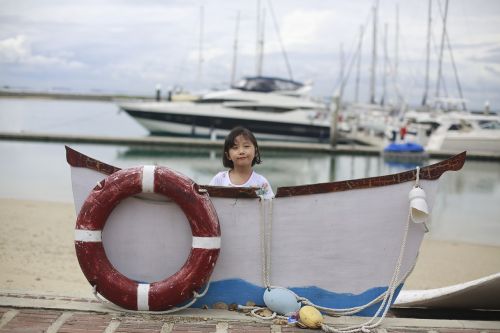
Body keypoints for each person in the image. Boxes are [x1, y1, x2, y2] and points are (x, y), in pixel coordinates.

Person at [209, 126, 274, 199]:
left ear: (255, 151)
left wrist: (256, 194)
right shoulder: (219, 179)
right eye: (235, 147)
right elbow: (207, 202)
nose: (241, 151)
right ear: (228, 155)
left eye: (246, 146)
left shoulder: (261, 183)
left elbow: (271, 205)